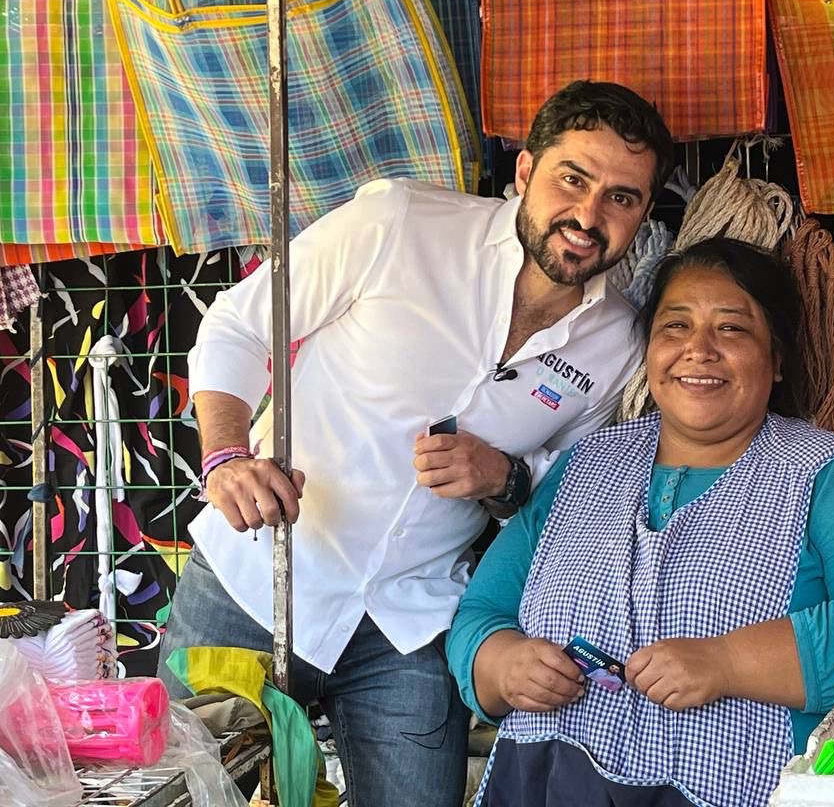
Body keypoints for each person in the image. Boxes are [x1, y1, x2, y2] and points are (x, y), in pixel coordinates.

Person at [157, 81, 676, 807]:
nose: (588, 216)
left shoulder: (617, 339)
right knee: (188, 795)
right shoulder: (401, 221)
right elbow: (240, 325)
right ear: (524, 172)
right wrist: (225, 458)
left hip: (408, 621)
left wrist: (505, 476)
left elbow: (571, 486)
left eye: (622, 198)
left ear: (644, 215)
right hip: (255, 575)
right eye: (573, 179)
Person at [446, 237, 834, 807]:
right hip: (545, 784)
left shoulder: (829, 474)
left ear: (777, 357)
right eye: (675, 327)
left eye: (732, 329)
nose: (699, 350)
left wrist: (727, 662)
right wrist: (504, 665)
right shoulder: (586, 466)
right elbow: (482, 614)